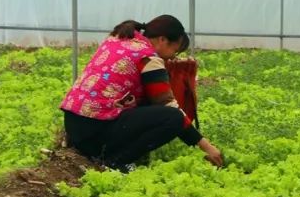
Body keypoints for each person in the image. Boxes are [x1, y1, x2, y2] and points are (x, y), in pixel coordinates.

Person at [60, 14, 224, 170]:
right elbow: (168, 106)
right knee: (172, 118)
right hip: (95, 133)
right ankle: (117, 162)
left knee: (149, 106)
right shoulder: (149, 58)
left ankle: (109, 156)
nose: (174, 57)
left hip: (75, 128)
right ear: (162, 39)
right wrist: (207, 147)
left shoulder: (117, 40)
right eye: (175, 50)